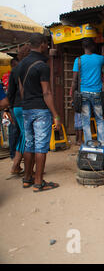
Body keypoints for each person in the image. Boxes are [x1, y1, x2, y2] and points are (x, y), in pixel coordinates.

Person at [18, 33, 60, 192]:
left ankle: (27, 179)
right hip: (40, 110)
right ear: (42, 44)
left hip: (26, 109)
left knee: (29, 144)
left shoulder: (22, 65)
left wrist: (27, 103)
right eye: (46, 44)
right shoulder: (42, 66)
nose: (48, 46)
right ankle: (39, 182)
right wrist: (56, 114)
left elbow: (22, 90)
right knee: (41, 147)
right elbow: (47, 92)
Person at [70, 38, 104, 148]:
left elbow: (74, 80)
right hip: (97, 93)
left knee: (85, 121)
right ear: (93, 46)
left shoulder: (78, 60)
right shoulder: (100, 58)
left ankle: (89, 144)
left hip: (83, 93)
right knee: (99, 119)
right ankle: (102, 143)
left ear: (83, 47)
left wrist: (71, 95)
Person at [7, 44, 32, 176]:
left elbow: (10, 93)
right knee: (25, 136)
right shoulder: (30, 68)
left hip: (16, 107)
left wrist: (10, 109)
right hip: (25, 106)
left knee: (24, 134)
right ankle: (16, 165)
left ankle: (18, 165)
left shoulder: (15, 70)